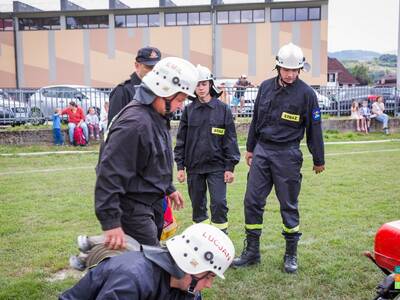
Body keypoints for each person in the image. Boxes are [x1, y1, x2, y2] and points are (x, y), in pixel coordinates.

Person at [232, 42, 325, 273]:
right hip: (262, 150)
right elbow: (255, 120)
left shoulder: (307, 94)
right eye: (286, 69)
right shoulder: (264, 87)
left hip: (288, 153)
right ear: (278, 67)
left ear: (300, 70)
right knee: (252, 200)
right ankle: (252, 252)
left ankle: (290, 254)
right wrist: (251, 148)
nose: (290, 74)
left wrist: (318, 158)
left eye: (295, 70)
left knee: (288, 205)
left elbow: (315, 127)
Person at [95, 57, 199, 248]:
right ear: (163, 91)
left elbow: (154, 161)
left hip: (152, 203)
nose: (180, 106)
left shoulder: (156, 116)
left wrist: (169, 188)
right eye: (179, 99)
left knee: (151, 256)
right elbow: (109, 173)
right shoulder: (135, 124)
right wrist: (111, 223)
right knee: (146, 263)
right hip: (133, 209)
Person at [59, 223, 235, 300]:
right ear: (188, 262)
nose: (209, 285)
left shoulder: (187, 287)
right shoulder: (132, 279)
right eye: (209, 276)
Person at [174, 65, 240, 234]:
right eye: (197, 85)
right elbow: (181, 140)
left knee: (218, 203)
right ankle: (203, 240)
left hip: (217, 167)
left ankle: (221, 239)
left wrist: (230, 167)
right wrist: (180, 167)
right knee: (198, 206)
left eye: (204, 84)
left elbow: (230, 140)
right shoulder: (188, 111)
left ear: (210, 84)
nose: (201, 88)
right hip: (194, 167)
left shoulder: (223, 109)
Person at [108, 46, 161, 124]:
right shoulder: (122, 91)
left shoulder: (158, 89)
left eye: (156, 67)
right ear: (137, 65)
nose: (152, 71)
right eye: (148, 67)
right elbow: (114, 125)